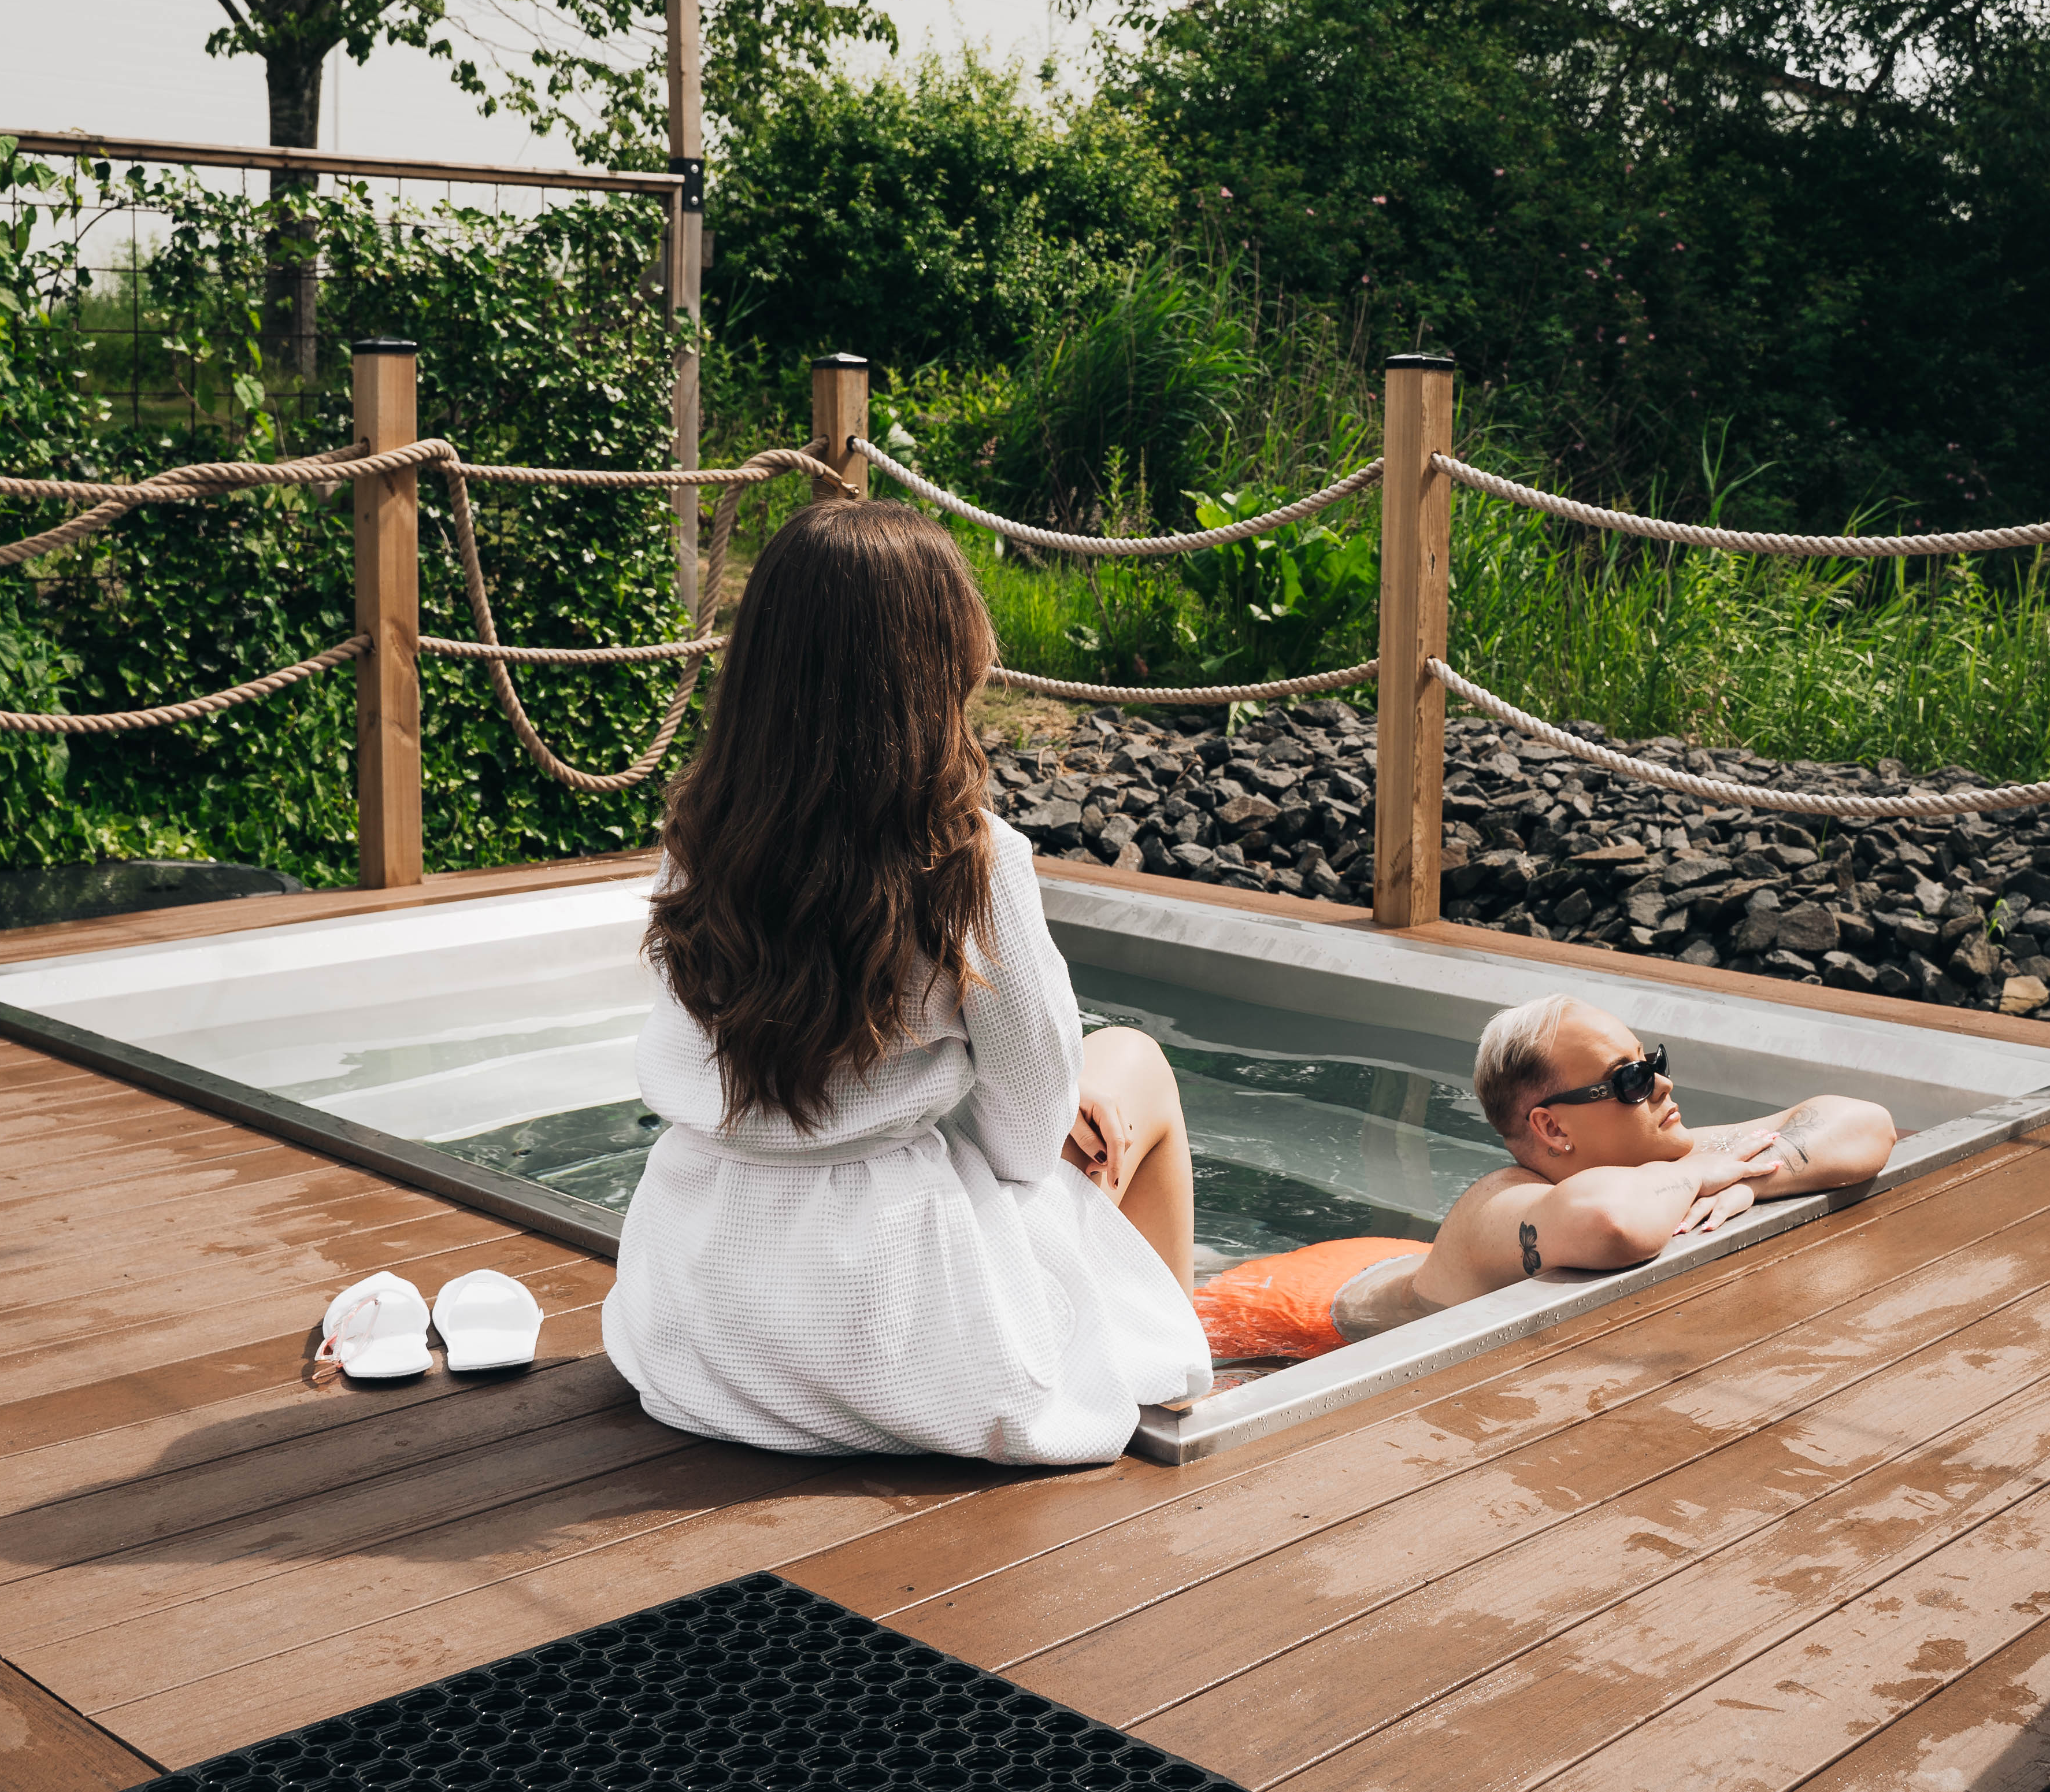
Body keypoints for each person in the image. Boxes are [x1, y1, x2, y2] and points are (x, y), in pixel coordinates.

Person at [603, 499, 1210, 1466]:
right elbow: (1024, 1143)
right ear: (935, 667)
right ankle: (1171, 1384)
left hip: (699, 1316)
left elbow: (707, 1077)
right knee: (1131, 1065)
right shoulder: (970, 861)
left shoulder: (700, 840)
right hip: (889, 1328)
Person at [1196, 991, 1896, 1358]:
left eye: (1652, 1060)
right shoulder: (1496, 1204)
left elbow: (1863, 1122)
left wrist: (1744, 1178)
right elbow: (1610, 1221)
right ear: (1553, 1128)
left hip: (1388, 1262)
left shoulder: (1659, 1155)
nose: (1661, 1083)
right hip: (1295, 1313)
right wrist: (1702, 1174)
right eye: (1629, 1078)